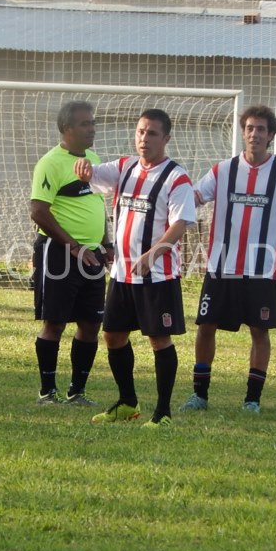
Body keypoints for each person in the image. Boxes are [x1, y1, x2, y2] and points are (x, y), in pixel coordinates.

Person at [179, 105, 276, 414]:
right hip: (221, 266)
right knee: (206, 326)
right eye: (249, 128)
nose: (254, 134)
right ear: (243, 132)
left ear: (271, 135)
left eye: (261, 129)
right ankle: (199, 395)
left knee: (259, 331)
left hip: (261, 270)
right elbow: (195, 197)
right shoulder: (222, 170)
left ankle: (252, 400)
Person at [74, 108, 196, 429]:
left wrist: (153, 253)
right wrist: (84, 168)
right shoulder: (124, 167)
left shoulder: (177, 178)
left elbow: (180, 224)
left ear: (166, 138)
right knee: (113, 336)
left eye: (152, 133)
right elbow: (93, 173)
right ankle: (128, 402)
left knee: (159, 340)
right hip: (122, 273)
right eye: (141, 132)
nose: (144, 139)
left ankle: (163, 413)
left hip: (158, 275)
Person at [30, 101, 110, 406]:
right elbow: (38, 211)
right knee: (55, 322)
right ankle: (47, 391)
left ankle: (77, 391)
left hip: (92, 254)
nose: (92, 129)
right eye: (84, 124)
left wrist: (106, 243)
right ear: (66, 129)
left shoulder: (93, 159)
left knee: (91, 323)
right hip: (59, 253)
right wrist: (73, 246)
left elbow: (97, 204)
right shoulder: (50, 163)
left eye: (93, 123)